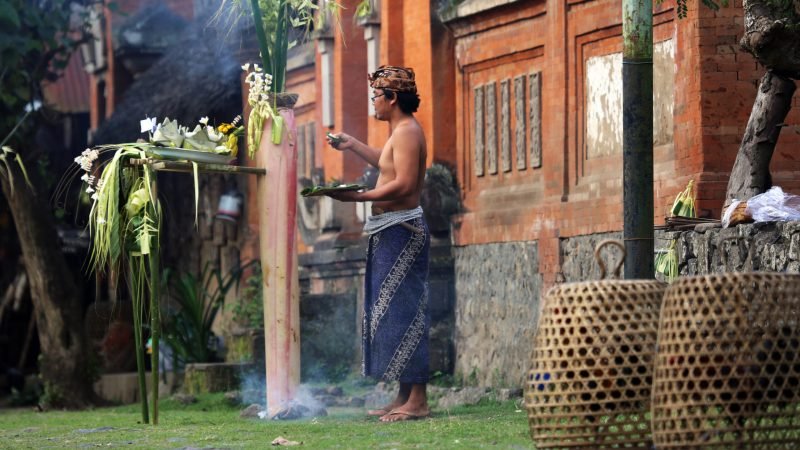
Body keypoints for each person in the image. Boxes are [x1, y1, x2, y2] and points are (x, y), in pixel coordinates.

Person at [325, 66, 430, 422]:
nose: (373, 104)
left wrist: (358, 197)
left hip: (404, 230)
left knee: (406, 311)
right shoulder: (398, 132)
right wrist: (352, 145)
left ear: (392, 98)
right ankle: (403, 394)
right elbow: (387, 166)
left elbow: (403, 185)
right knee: (390, 312)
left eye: (376, 97)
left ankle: (418, 399)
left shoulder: (409, 132)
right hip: (390, 229)